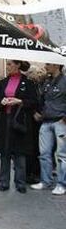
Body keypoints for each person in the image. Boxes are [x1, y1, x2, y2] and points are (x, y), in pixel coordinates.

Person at [0, 60, 38, 194]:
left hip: (19, 121)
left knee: (20, 152)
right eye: (7, 64)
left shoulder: (28, 83)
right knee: (5, 152)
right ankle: (4, 182)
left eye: (10, 64)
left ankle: (20, 182)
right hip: (4, 120)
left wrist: (20, 101)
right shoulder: (2, 83)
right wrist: (1, 101)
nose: (7, 67)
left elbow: (34, 101)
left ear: (18, 65)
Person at [31, 63, 66, 195]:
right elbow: (42, 100)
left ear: (57, 65)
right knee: (44, 154)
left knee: (62, 155)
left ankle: (62, 184)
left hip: (61, 121)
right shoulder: (46, 82)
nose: (46, 66)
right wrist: (37, 111)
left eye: (48, 64)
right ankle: (46, 181)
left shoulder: (64, 81)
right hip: (46, 121)